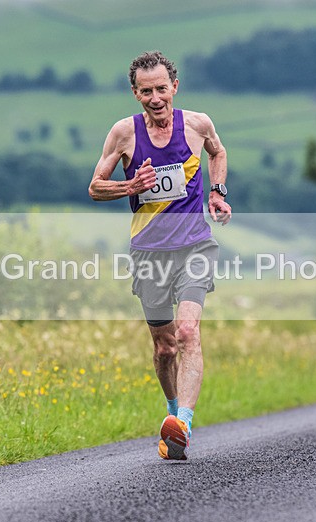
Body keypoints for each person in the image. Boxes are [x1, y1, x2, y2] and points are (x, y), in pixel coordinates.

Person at [88, 51, 231, 460]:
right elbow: (96, 187)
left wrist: (217, 192)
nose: (155, 98)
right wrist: (130, 186)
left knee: (187, 332)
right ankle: (171, 413)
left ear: (175, 87)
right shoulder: (124, 134)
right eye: (146, 91)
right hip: (149, 253)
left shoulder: (198, 125)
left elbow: (218, 153)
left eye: (161, 89)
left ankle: (182, 423)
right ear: (135, 93)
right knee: (165, 347)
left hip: (195, 246)